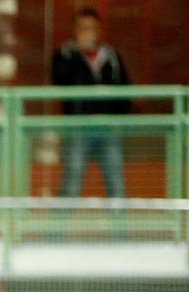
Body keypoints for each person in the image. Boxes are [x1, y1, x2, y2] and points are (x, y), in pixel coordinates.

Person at [51, 7, 130, 198]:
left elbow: (125, 90)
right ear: (74, 30)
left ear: (99, 30)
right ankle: (54, 229)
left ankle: (120, 229)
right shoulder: (64, 54)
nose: (88, 33)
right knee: (71, 185)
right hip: (77, 129)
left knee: (116, 186)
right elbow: (58, 79)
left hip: (109, 130)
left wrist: (117, 120)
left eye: (92, 28)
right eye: (83, 28)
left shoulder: (112, 57)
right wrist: (77, 53)